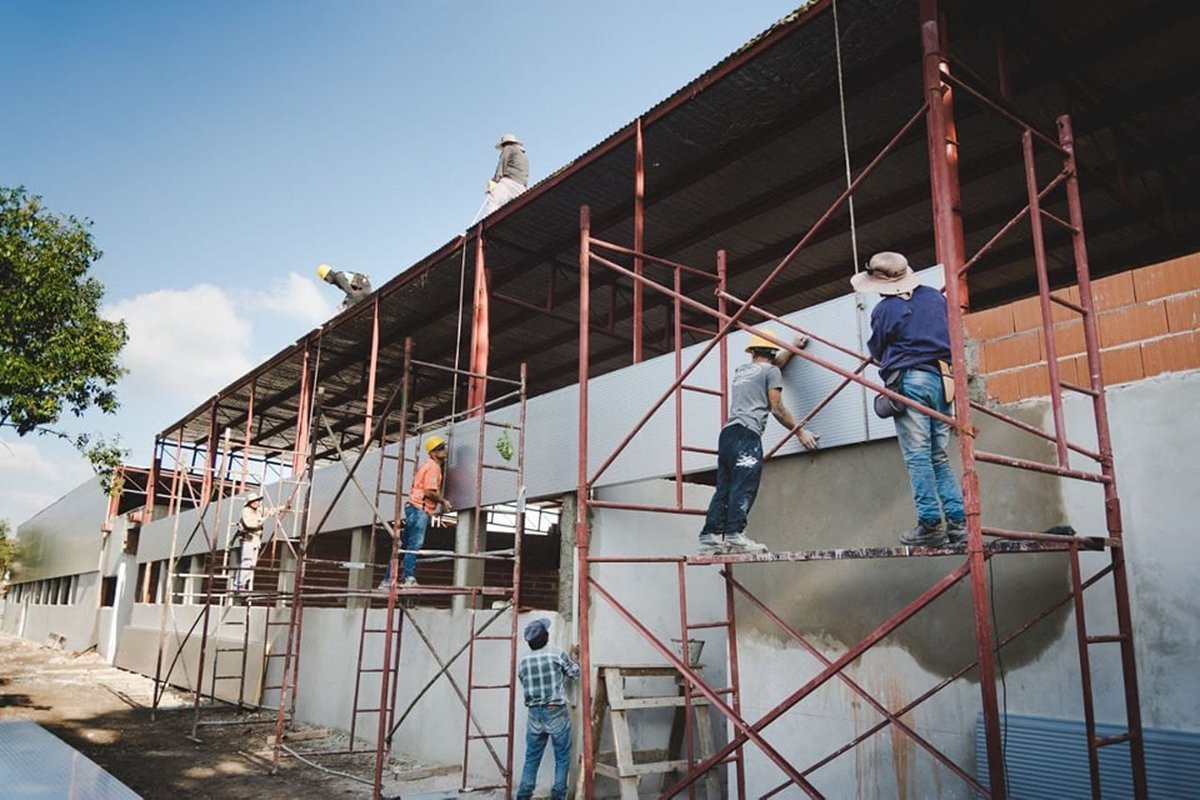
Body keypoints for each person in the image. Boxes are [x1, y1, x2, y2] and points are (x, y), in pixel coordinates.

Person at [852, 251, 966, 547]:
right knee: (938, 456)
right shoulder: (933, 297)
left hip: (911, 379)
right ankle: (958, 524)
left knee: (918, 456)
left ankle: (930, 524)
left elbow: (877, 349)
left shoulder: (885, 309)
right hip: (943, 380)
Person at [698, 331, 820, 556]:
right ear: (772, 351)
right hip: (747, 434)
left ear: (752, 352)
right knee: (744, 485)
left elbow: (772, 367)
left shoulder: (742, 371)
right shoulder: (771, 371)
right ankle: (735, 536)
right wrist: (800, 431)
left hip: (728, 434)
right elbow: (777, 407)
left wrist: (792, 348)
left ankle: (710, 537)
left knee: (724, 487)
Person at [515, 617, 580, 800]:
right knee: (562, 757)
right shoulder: (556, 654)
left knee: (532, 758)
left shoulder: (524, 662)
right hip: (555, 711)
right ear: (546, 636)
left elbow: (523, 680)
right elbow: (575, 673)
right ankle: (558, 797)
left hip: (534, 714)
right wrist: (574, 658)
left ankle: (523, 795)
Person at [379, 435, 450, 589]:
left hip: (413, 507)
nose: (444, 452)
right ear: (433, 453)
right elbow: (429, 492)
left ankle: (387, 580)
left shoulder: (427, 465)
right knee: (414, 545)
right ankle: (409, 577)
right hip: (420, 509)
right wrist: (443, 501)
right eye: (440, 450)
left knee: (403, 546)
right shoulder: (433, 467)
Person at [233, 492, 283, 594]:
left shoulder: (259, 510)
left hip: (255, 540)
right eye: (253, 501)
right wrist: (262, 519)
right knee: (246, 561)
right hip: (248, 539)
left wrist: (284, 507)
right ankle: (239, 585)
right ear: (249, 503)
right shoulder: (246, 511)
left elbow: (271, 511)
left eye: (257, 501)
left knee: (252, 564)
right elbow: (251, 524)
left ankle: (243, 584)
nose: (256, 503)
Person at [482, 133, 529, 216]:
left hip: (509, 181)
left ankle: (489, 223)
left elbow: (501, 166)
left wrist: (494, 182)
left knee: (494, 200)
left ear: (504, 144)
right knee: (517, 208)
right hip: (521, 186)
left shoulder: (508, 148)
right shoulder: (522, 154)